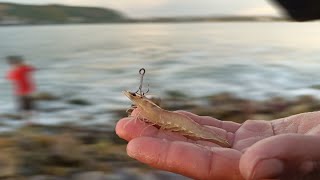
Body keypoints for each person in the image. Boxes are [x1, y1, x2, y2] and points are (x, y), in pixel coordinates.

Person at [6, 56, 36, 121]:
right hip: (28, 89)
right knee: (29, 104)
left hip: (20, 91)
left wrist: (13, 69)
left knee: (23, 105)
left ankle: (26, 118)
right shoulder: (24, 68)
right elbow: (33, 69)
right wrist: (24, 65)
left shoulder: (14, 71)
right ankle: (30, 118)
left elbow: (9, 77)